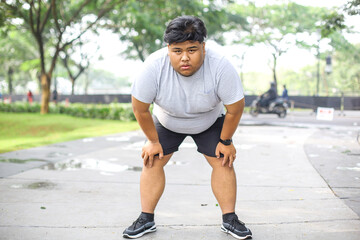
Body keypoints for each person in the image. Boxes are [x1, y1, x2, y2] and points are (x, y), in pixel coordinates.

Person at [123, 16, 252, 240]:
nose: (185, 58)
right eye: (177, 51)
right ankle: (146, 219)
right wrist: (153, 142)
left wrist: (227, 141)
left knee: (223, 160)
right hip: (168, 120)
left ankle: (229, 219)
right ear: (168, 49)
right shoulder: (153, 66)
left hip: (209, 120)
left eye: (192, 50)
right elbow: (140, 109)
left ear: (203, 46)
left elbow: (235, 109)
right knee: (152, 159)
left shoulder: (220, 65)